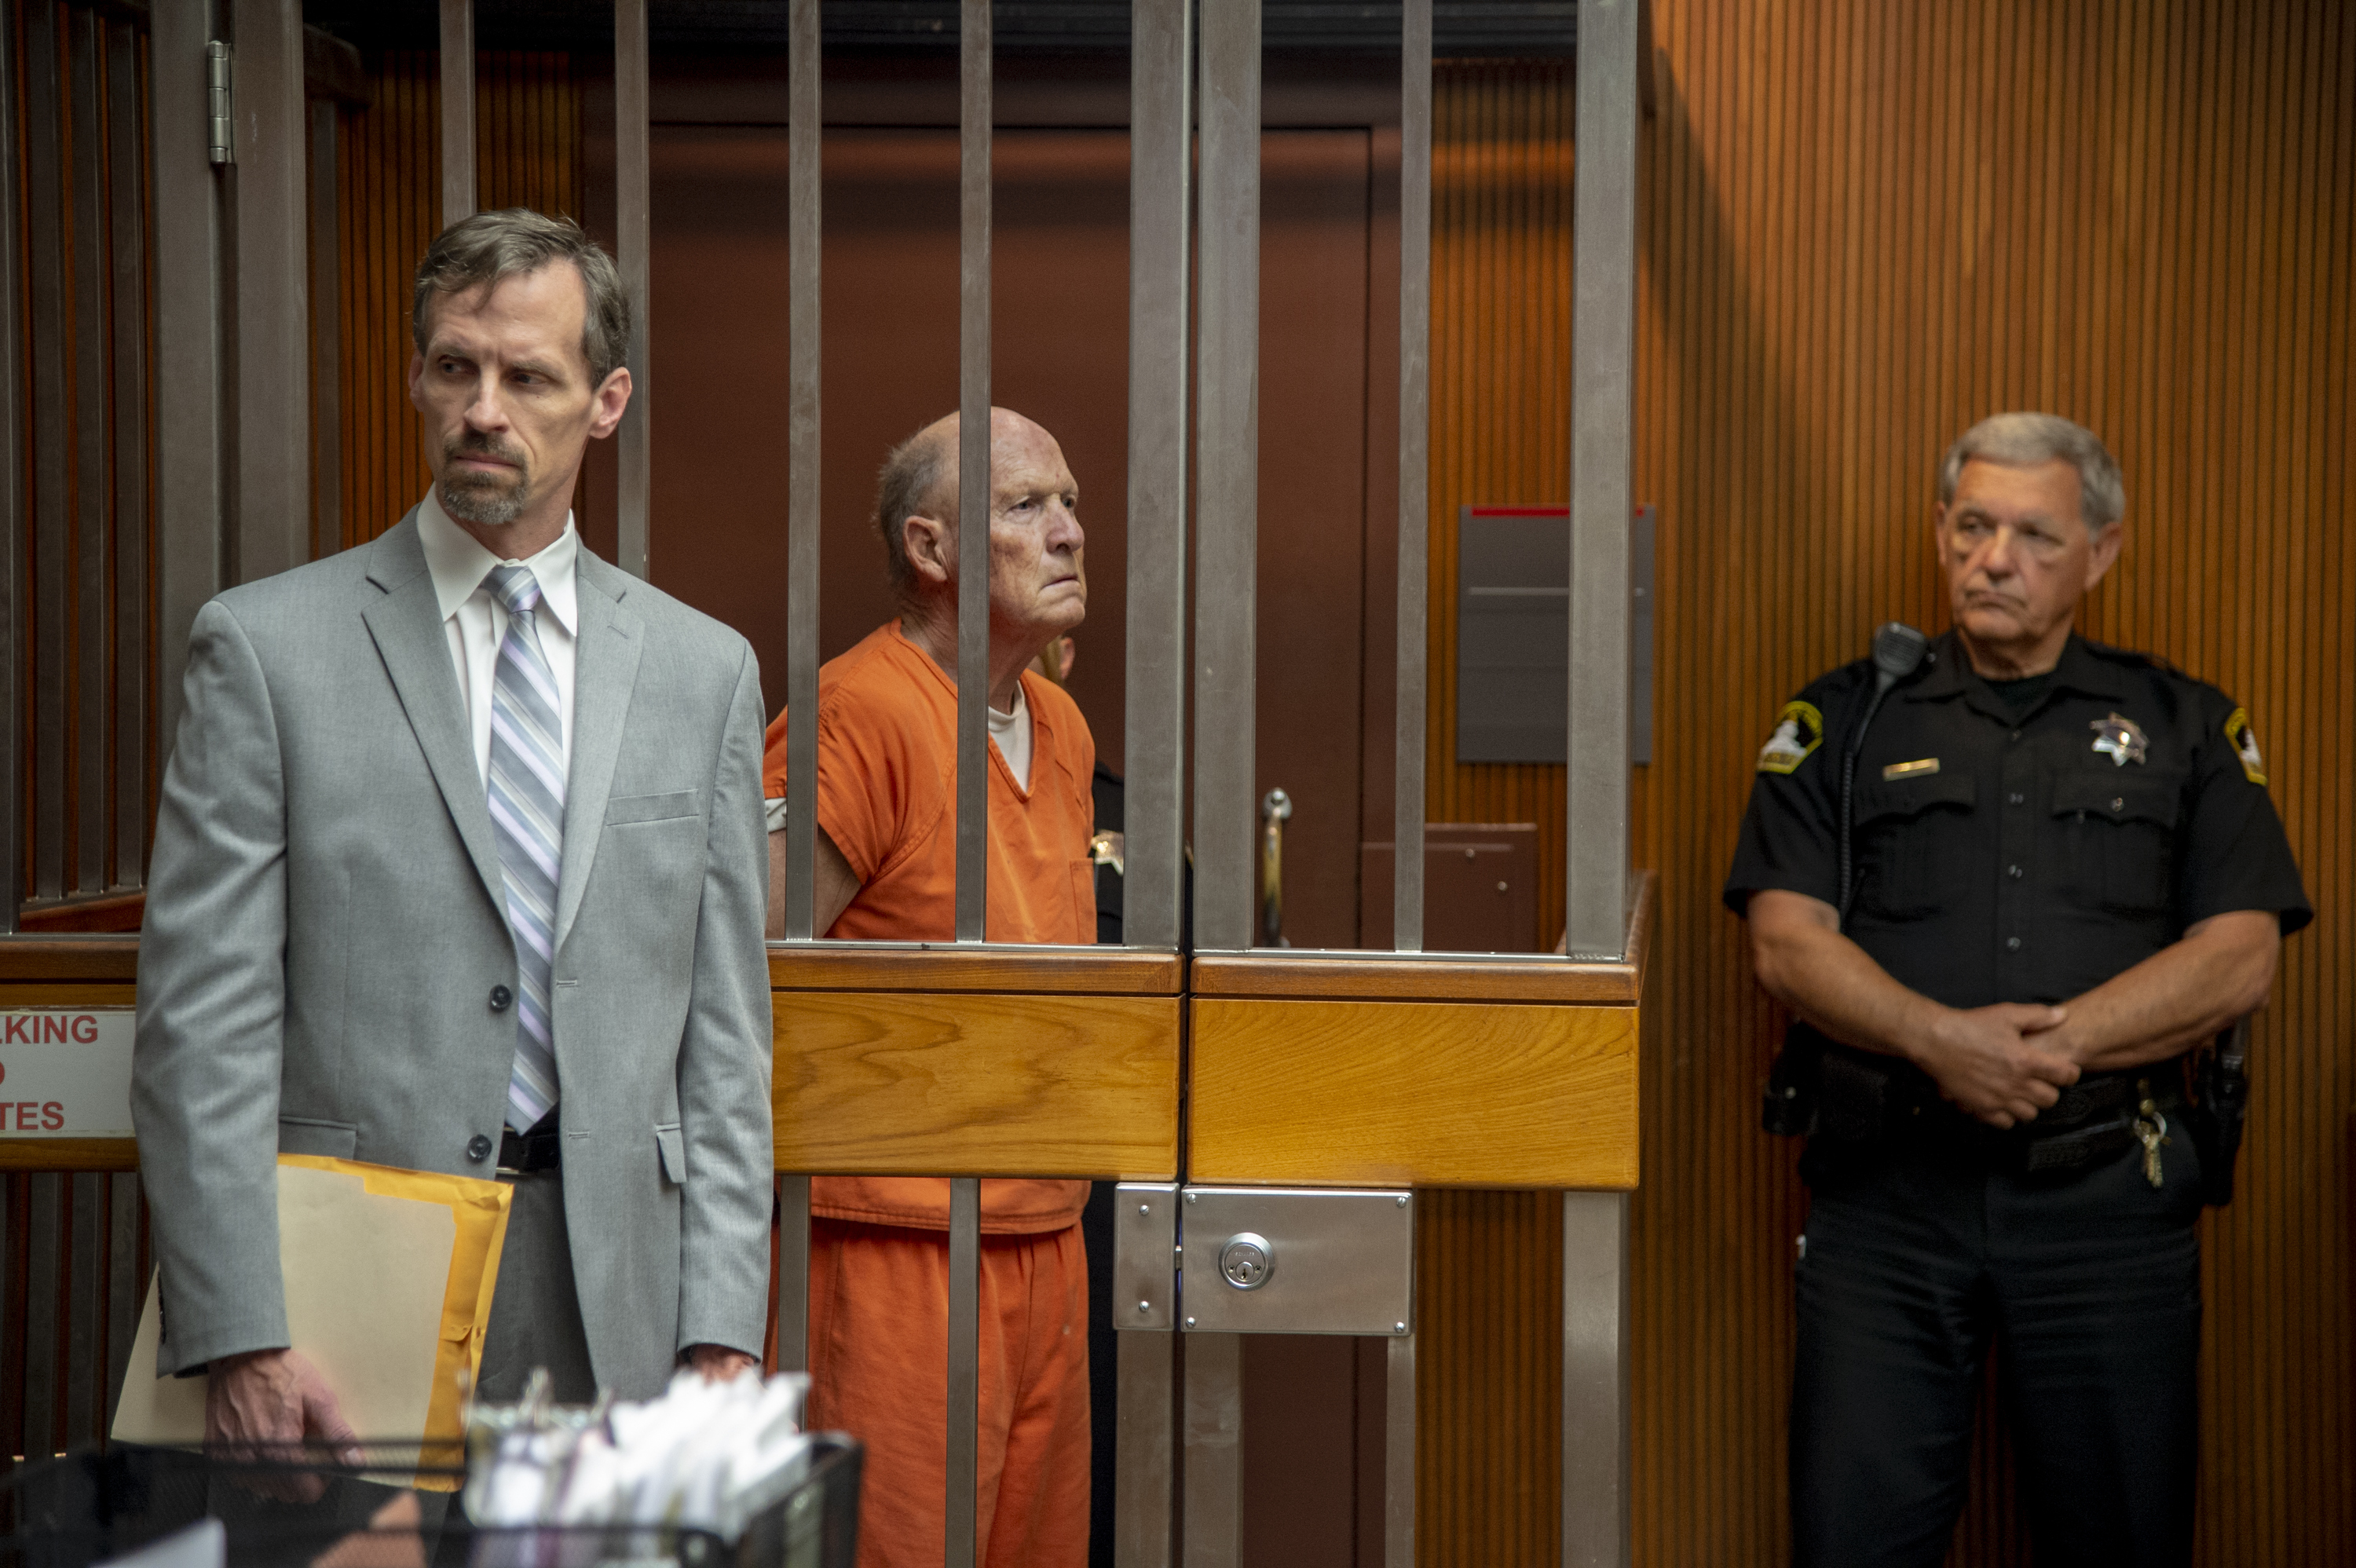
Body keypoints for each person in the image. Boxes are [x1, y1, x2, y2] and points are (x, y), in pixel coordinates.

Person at [134, 210, 777, 1455]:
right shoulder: (267, 649)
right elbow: (199, 1018)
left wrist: (722, 1326)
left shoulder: (704, 673)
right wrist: (236, 1325)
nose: (485, 408)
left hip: (620, 1306)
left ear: (605, 401)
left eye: (529, 376)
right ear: (419, 378)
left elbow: (726, 1043)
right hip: (339, 1305)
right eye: (455, 367)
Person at [1724, 412, 2310, 1568]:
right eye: (1974, 525)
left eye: (2034, 534)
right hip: (1889, 1204)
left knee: (2124, 1541)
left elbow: (2242, 954)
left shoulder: (2184, 722)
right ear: (1940, 530)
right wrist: (1943, 1041)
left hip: (2107, 1205)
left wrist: (2051, 1047)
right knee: (1852, 1544)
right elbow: (1787, 943)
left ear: (2101, 551)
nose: (1994, 557)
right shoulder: (1845, 719)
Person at [763, 408, 1093, 1568]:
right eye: (1025, 507)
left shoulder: (1057, 719)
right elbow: (748, 968)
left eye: (1070, 503)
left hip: (1044, 1234)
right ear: (931, 548)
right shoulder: (860, 711)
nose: (1067, 532)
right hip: (890, 1243)